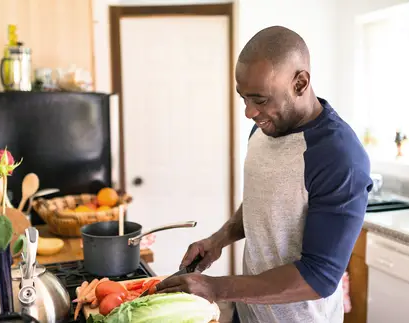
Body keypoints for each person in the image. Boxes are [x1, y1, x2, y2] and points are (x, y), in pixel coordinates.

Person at [155, 25, 373, 323]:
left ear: (300, 83)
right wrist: (219, 240)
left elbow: (319, 276)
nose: (249, 112)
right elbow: (264, 202)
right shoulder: (263, 128)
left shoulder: (339, 157)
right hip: (248, 312)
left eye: (259, 99)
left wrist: (216, 287)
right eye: (243, 97)